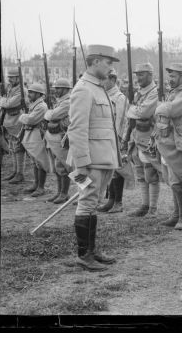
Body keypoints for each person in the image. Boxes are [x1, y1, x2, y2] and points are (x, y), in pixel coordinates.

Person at [66, 44, 121, 271]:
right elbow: (77, 129)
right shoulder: (83, 89)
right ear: (96, 61)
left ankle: (91, 251)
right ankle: (83, 255)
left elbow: (107, 128)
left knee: (94, 204)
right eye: (108, 62)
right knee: (87, 204)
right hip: (89, 162)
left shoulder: (98, 88)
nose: (110, 68)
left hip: (103, 159)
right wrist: (82, 164)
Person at [154, 62, 182, 230]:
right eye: (170, 76)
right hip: (169, 142)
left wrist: (159, 107)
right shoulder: (175, 92)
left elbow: (170, 111)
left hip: (180, 142)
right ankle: (176, 214)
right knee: (172, 180)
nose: (170, 79)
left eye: (173, 76)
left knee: (178, 180)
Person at [123, 63, 161, 217]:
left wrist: (132, 111)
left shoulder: (155, 92)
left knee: (151, 174)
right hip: (137, 136)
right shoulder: (139, 93)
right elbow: (131, 115)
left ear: (150, 75)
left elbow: (144, 112)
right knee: (140, 174)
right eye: (137, 75)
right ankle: (144, 205)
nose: (138, 78)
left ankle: (153, 208)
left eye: (142, 74)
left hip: (150, 137)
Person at [97, 68, 128, 214]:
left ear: (113, 80)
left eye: (105, 79)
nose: (102, 82)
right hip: (105, 137)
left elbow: (121, 121)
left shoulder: (119, 97)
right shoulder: (102, 95)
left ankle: (118, 202)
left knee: (118, 171)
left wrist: (118, 139)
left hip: (116, 137)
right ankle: (110, 200)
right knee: (110, 170)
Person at [43, 78, 73, 204]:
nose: (56, 90)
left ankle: (83, 194)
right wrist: (50, 113)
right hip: (55, 137)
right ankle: (61, 192)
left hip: (64, 137)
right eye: (56, 88)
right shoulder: (60, 101)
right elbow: (50, 115)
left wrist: (49, 113)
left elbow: (52, 115)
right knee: (58, 166)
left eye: (59, 88)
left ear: (66, 89)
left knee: (70, 167)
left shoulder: (67, 102)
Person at [19, 82, 51, 197]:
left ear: (39, 94)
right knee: (35, 161)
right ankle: (36, 184)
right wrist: (24, 117)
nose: (29, 94)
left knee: (40, 161)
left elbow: (31, 120)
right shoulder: (34, 104)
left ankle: (41, 187)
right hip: (31, 133)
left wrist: (22, 116)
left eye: (32, 92)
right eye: (29, 91)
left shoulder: (41, 106)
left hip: (37, 134)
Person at [0, 68, 28, 183]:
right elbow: (5, 102)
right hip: (9, 121)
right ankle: (15, 172)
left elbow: (10, 103)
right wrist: (4, 101)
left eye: (12, 77)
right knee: (12, 147)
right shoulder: (11, 88)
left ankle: (20, 173)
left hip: (17, 121)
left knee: (18, 148)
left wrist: (2, 101)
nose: (9, 79)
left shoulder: (21, 90)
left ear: (18, 78)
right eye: (9, 77)